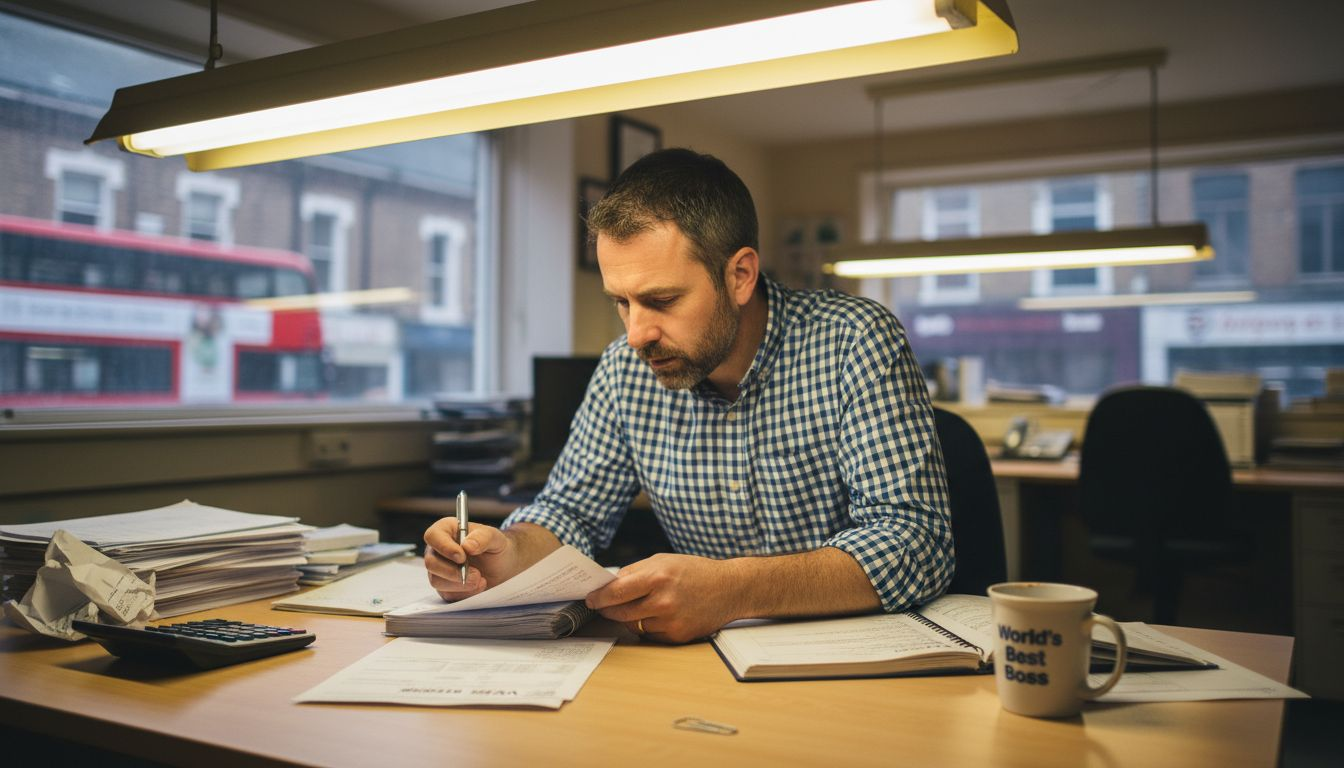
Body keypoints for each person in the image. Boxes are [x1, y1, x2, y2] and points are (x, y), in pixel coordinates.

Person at [425, 148, 953, 643]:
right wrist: (508, 554)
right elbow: (571, 513)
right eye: (622, 303)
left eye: (661, 300)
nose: (636, 334)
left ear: (740, 275)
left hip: (856, 656)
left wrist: (735, 590)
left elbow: (916, 542)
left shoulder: (852, 341)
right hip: (702, 664)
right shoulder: (623, 371)